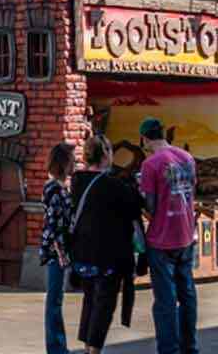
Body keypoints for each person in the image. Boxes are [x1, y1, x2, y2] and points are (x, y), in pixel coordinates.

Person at [70, 135, 145, 354]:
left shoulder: (77, 182)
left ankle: (87, 348)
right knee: (104, 304)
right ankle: (94, 350)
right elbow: (136, 205)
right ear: (105, 155)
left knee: (90, 300)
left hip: (82, 254)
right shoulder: (113, 185)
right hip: (108, 257)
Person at [138, 117, 199, 354]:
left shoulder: (150, 164)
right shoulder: (187, 158)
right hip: (185, 234)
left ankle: (169, 350)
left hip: (161, 239)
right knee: (187, 294)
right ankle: (190, 347)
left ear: (144, 138)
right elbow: (191, 191)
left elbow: (150, 207)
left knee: (165, 300)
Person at [41, 142, 76, 354]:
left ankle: (58, 346)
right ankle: (56, 347)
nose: (75, 164)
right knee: (54, 300)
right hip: (57, 252)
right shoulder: (56, 190)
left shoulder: (56, 187)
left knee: (56, 299)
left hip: (57, 250)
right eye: (72, 160)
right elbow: (54, 225)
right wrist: (62, 254)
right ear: (63, 163)